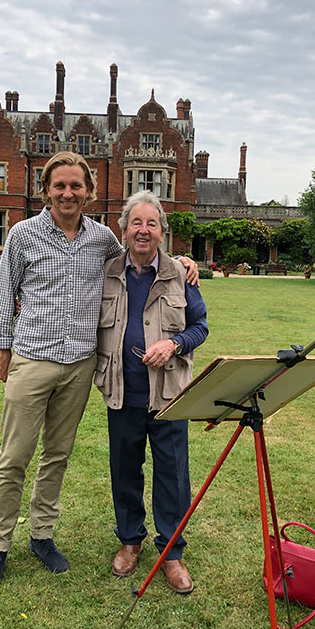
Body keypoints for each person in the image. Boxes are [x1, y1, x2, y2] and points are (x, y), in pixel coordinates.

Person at [0, 151, 198, 591]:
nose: (68, 193)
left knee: (56, 456)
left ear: (90, 193)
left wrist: (184, 264)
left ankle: (42, 537)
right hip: (33, 359)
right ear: (46, 190)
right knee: (14, 458)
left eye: (76, 186)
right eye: (59, 185)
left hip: (80, 364)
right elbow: (5, 295)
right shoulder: (22, 235)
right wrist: (3, 351)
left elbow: (144, 253)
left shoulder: (102, 241)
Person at [95, 191, 208, 594]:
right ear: (123, 230)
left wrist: (174, 345)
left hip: (170, 396)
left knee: (173, 476)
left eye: (152, 224)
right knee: (125, 470)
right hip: (121, 392)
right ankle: (129, 541)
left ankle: (171, 553)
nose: (143, 231)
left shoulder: (181, 274)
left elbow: (200, 327)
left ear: (162, 232)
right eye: (136, 223)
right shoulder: (106, 271)